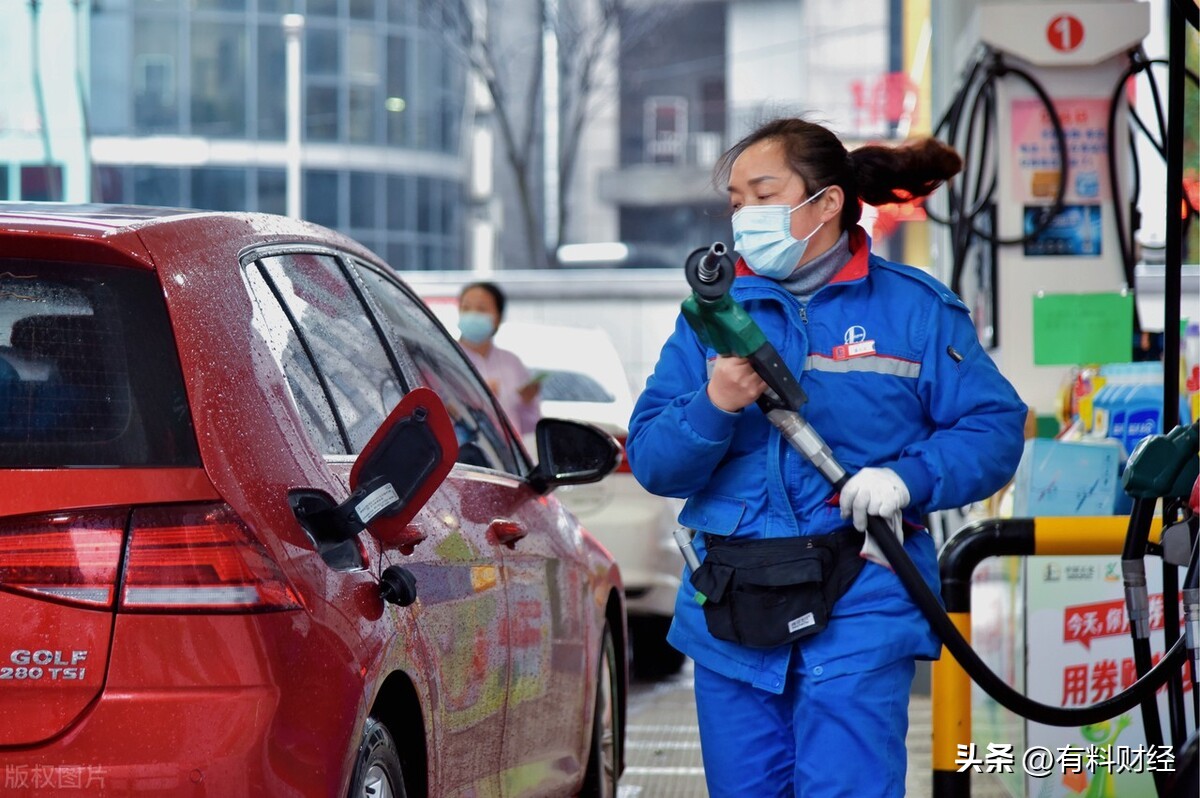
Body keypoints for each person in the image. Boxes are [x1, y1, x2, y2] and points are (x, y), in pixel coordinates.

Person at [625, 117, 1028, 797]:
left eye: (762, 192)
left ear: (826, 201)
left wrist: (908, 477)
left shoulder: (914, 310)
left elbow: (993, 427)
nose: (744, 214)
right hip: (731, 608)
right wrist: (714, 403)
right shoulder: (712, 319)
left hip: (860, 598)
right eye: (736, 199)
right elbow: (656, 462)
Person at [456, 281, 541, 436]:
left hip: (505, 455)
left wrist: (526, 402)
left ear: (498, 317)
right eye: (466, 308)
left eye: (481, 309)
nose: (472, 314)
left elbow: (529, 426)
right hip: (461, 454)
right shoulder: (446, 357)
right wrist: (475, 396)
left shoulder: (512, 363)